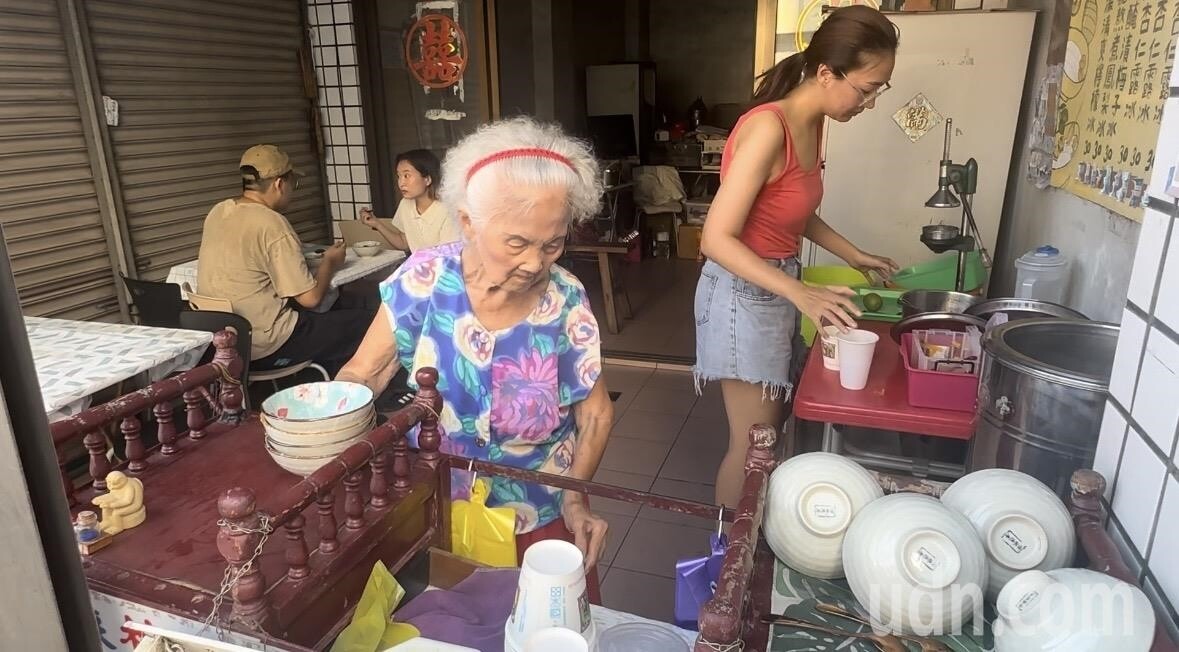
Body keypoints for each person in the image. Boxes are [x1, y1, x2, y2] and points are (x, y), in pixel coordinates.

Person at [337, 118, 613, 601]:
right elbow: (365, 372)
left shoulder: (566, 299)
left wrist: (575, 497)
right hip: (433, 506)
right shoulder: (423, 279)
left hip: (538, 513)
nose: (535, 262)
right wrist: (329, 443)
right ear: (468, 222)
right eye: (517, 242)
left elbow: (594, 413)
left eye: (553, 243)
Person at [695, 6, 901, 510]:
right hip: (742, 293)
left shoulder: (815, 123)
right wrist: (799, 291)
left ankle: (747, 546)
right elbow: (715, 237)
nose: (870, 102)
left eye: (880, 90)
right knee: (751, 444)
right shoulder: (770, 129)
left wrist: (854, 254)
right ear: (827, 73)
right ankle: (729, 567)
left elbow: (792, 209)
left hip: (774, 284)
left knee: (770, 430)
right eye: (867, 87)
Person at [196, 144, 373, 375]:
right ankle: (371, 394)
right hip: (267, 345)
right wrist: (330, 261)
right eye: (293, 184)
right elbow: (311, 299)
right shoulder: (272, 223)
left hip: (221, 343)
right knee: (369, 323)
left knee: (335, 316)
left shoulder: (218, 211)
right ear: (280, 184)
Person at [359, 149, 460, 253]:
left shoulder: (447, 209)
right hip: (418, 267)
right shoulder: (405, 204)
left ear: (427, 180)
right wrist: (377, 224)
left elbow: (447, 256)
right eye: (399, 176)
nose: (401, 183)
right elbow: (404, 243)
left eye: (407, 176)